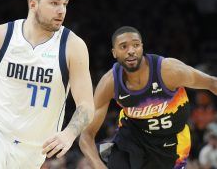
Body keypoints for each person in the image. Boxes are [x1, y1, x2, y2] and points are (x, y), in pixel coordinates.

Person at [0, 0, 94, 169]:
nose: (61, 11)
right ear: (33, 4)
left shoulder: (72, 46)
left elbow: (86, 105)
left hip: (33, 149)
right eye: (54, 3)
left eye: (64, 4)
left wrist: (69, 133)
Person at [79, 26, 217, 169]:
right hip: (132, 138)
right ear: (114, 53)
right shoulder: (110, 83)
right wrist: (97, 165)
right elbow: (86, 134)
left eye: (136, 45)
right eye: (123, 46)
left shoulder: (169, 71)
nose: (131, 50)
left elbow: (212, 83)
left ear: (142, 47)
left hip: (172, 141)